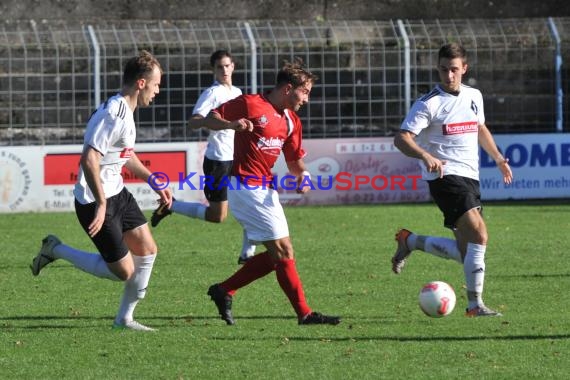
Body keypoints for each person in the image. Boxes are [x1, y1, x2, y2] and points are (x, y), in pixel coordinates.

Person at [31, 50, 172, 331]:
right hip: (93, 199)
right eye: (156, 85)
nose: (158, 91)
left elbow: (123, 154)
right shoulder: (114, 114)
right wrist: (102, 203)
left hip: (115, 192)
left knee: (147, 250)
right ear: (141, 83)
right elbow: (89, 158)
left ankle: (124, 319)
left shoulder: (126, 112)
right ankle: (56, 249)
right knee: (124, 271)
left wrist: (151, 179)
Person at [200, 58, 340, 326]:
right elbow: (212, 117)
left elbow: (295, 163)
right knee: (284, 251)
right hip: (244, 186)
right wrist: (231, 125)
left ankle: (224, 290)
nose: (307, 100)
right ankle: (305, 314)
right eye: (305, 92)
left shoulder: (291, 121)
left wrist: (304, 176)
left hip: (265, 190)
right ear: (288, 88)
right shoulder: (251, 103)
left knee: (279, 255)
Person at [392, 43, 513, 317]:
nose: (449, 75)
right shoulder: (429, 103)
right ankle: (475, 305)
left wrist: (497, 158)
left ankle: (409, 241)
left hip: (470, 176)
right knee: (480, 235)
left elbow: (479, 127)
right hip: (445, 177)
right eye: (444, 69)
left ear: (464, 69)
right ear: (438, 68)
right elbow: (402, 138)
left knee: (466, 251)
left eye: (454, 70)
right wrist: (425, 156)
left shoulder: (474, 96)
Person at [150, 50, 256, 264]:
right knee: (218, 216)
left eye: (227, 66)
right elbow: (194, 121)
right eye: (220, 67)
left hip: (238, 159)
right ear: (214, 70)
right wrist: (222, 124)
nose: (224, 70)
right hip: (218, 160)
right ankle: (171, 206)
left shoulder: (238, 92)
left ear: (233, 66)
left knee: (250, 202)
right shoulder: (212, 94)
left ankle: (248, 253)